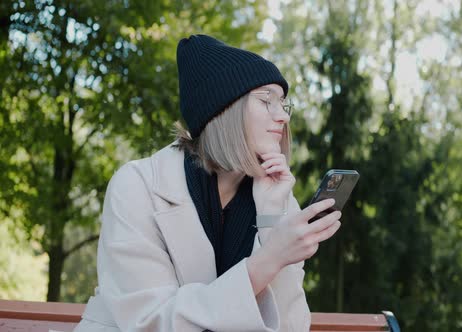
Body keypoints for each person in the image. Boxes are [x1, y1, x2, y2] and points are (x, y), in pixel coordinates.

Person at [73, 34, 342, 331]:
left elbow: (291, 326)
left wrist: (270, 219)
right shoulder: (136, 187)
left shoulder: (278, 198)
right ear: (223, 110)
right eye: (267, 101)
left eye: (283, 104)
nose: (282, 117)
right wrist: (268, 259)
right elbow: (150, 322)